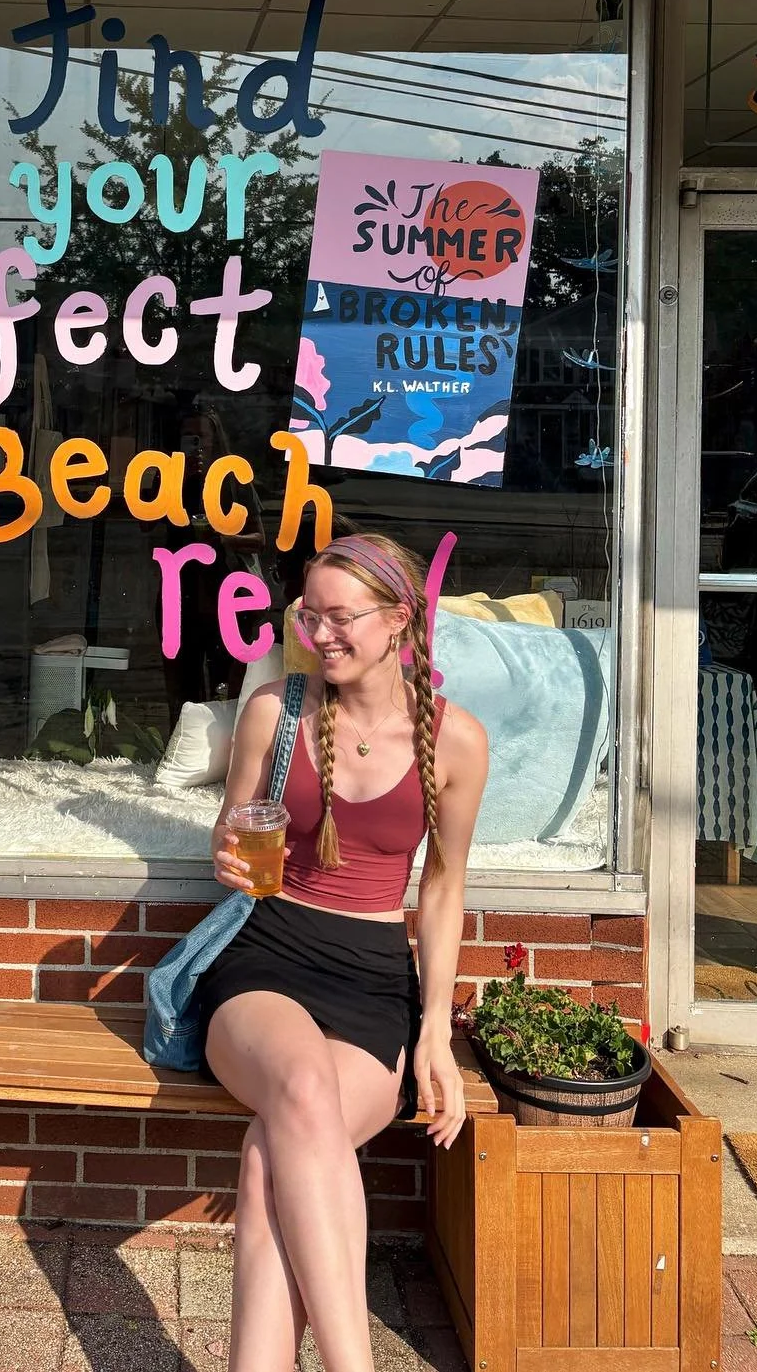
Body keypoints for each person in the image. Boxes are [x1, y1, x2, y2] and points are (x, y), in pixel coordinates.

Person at [202, 533, 487, 1372]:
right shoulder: (275, 711)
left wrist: (434, 1030)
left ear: (398, 620)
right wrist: (227, 850)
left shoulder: (456, 741)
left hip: (373, 976)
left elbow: (443, 889)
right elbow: (229, 825)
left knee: (271, 1160)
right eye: (309, 615)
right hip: (264, 956)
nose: (320, 634)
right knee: (299, 1087)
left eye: (340, 617)